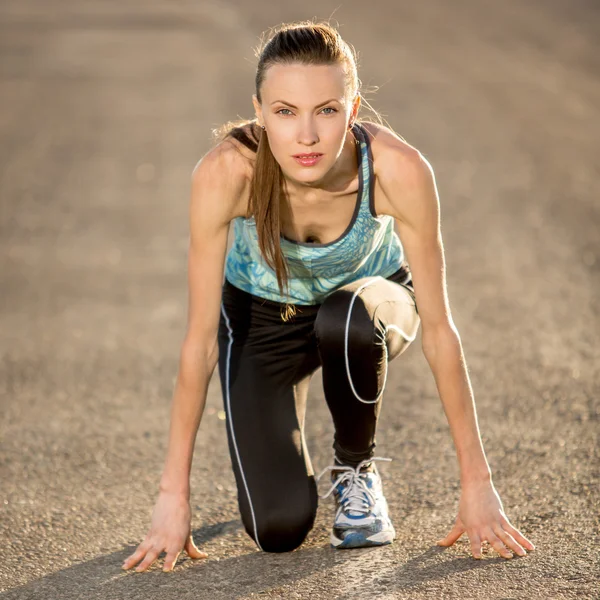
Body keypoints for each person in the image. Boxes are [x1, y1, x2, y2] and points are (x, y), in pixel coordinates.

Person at [122, 20, 535, 572]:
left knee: (346, 319)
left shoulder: (398, 170)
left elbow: (439, 329)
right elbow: (198, 343)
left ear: (354, 108)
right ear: (260, 111)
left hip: (367, 311)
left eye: (327, 109)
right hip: (264, 319)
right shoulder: (227, 173)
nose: (307, 135)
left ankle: (355, 466)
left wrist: (478, 485)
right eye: (285, 111)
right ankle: (285, 418)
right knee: (277, 529)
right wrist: (173, 497)